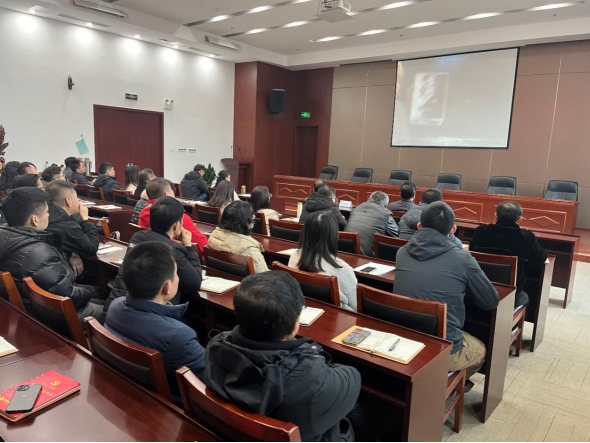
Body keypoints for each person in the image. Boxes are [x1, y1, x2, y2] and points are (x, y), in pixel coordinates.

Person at [204, 271, 361, 442]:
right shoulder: (310, 381)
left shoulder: (215, 345)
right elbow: (353, 378)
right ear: (294, 327)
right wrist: (312, 356)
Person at [394, 202, 499, 380]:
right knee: (480, 350)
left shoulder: (402, 252)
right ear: (453, 229)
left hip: (403, 336)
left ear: (419, 226)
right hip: (440, 346)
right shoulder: (463, 258)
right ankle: (445, 388)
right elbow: (490, 301)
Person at [105, 241, 206, 400]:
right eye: (176, 274)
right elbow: (210, 381)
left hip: (125, 389)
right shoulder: (179, 337)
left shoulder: (115, 307)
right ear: (167, 287)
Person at [0, 187, 103, 321]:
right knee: (111, 309)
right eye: (47, 212)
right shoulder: (39, 252)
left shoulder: (7, 237)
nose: (49, 215)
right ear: (35, 220)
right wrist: (90, 293)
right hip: (56, 315)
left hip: (32, 306)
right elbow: (69, 295)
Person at [105, 197, 203, 314]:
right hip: (148, 315)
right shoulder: (172, 250)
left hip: (117, 307)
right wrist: (189, 247)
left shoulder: (137, 237)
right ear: (176, 225)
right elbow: (194, 282)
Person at [470, 201, 548, 307]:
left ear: (496, 215)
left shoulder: (481, 231)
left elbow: (472, 251)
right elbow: (541, 258)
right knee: (527, 294)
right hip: (512, 295)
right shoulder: (526, 237)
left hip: (479, 289)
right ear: (519, 219)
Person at [289, 211, 357, 311]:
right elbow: (357, 307)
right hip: (338, 315)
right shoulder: (342, 269)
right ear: (334, 235)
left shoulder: (294, 257)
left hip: (307, 309)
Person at [138, 178, 208, 251]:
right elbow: (203, 245)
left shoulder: (143, 213)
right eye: (171, 190)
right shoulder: (177, 217)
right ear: (166, 194)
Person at [45, 180, 99, 264]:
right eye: (77, 197)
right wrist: (85, 220)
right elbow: (91, 247)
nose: (79, 201)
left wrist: (72, 253)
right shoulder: (66, 225)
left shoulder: (44, 215)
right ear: (68, 201)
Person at [208, 200, 268, 273]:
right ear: (247, 223)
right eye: (252, 217)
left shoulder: (213, 236)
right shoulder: (249, 249)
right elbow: (264, 276)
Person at [398, 188, 463, 247]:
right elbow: (455, 244)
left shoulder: (406, 214)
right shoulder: (437, 219)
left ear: (420, 202)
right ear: (439, 204)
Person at [344, 191, 399, 256]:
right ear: (386, 206)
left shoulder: (357, 208)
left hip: (343, 249)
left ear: (369, 199)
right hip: (364, 256)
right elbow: (397, 236)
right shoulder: (386, 214)